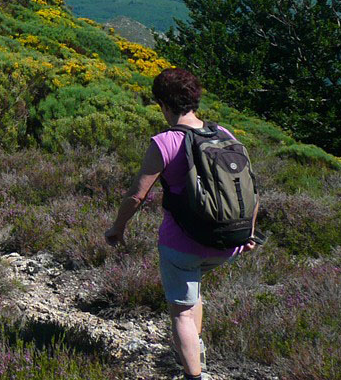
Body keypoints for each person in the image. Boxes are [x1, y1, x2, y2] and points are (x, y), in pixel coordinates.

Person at [104, 68, 259, 380]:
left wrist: (117, 228)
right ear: (194, 100)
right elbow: (251, 189)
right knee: (194, 292)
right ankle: (194, 350)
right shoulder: (224, 134)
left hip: (182, 244)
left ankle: (193, 375)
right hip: (229, 242)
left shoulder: (165, 142)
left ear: (163, 104)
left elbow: (137, 196)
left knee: (182, 312)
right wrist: (249, 232)